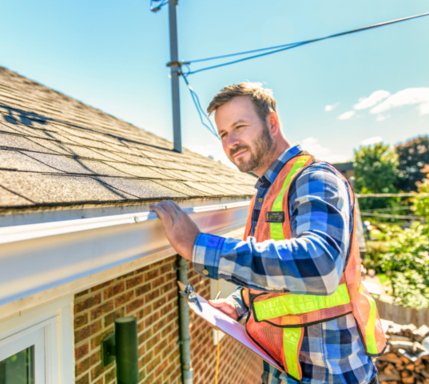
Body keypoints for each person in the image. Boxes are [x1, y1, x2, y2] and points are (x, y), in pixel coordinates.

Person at [150, 83, 385, 384]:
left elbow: (320, 265)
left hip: (333, 375)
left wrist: (199, 246)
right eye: (223, 134)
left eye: (239, 126)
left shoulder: (313, 178)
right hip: (286, 372)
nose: (231, 141)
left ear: (271, 123)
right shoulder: (268, 191)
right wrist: (241, 302)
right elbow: (279, 272)